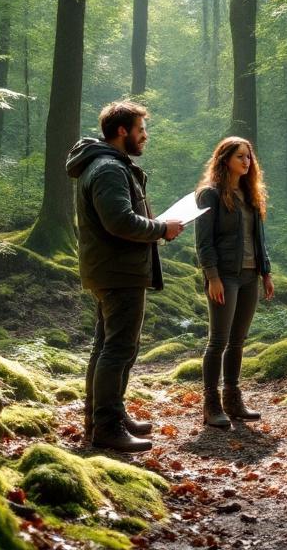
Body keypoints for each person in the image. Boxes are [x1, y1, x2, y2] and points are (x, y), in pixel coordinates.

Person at [66, 100, 183, 453]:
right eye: (141, 130)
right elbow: (119, 221)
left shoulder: (105, 165)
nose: (145, 136)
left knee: (107, 348)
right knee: (117, 350)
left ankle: (106, 415)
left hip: (113, 270)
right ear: (122, 131)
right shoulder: (108, 169)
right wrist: (162, 228)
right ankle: (106, 426)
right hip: (118, 272)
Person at [194, 137, 276, 428]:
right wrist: (212, 276)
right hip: (224, 276)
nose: (247, 162)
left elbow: (259, 238)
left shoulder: (250, 194)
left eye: (249, 157)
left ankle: (232, 398)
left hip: (249, 276)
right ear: (225, 159)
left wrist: (266, 272)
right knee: (218, 340)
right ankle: (210, 404)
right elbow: (203, 241)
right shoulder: (210, 195)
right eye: (241, 156)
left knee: (238, 341)